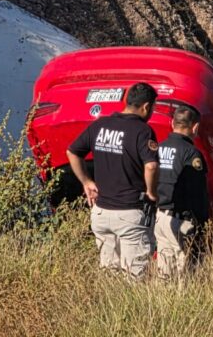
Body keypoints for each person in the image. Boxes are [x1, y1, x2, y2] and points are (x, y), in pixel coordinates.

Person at [66, 83, 159, 279]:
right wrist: (151, 192)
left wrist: (86, 181)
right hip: (129, 214)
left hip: (101, 214)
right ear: (146, 107)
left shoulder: (99, 125)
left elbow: (72, 151)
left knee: (109, 276)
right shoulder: (143, 131)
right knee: (136, 279)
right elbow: (151, 166)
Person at [155, 105, 209, 279]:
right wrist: (202, 222)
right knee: (184, 275)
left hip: (160, 216)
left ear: (172, 123)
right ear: (195, 127)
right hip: (181, 220)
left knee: (164, 271)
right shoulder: (191, 154)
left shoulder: (159, 148)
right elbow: (197, 191)